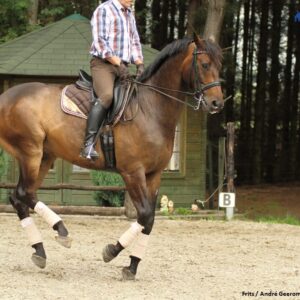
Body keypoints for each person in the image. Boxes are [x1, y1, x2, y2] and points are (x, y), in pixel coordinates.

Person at [81, 0, 144, 160]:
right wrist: (117, 63)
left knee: (135, 97)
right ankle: (88, 145)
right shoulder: (104, 10)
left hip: (123, 65)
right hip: (103, 64)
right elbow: (100, 41)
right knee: (107, 96)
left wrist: (139, 63)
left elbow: (135, 41)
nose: (132, 0)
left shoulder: (129, 14)